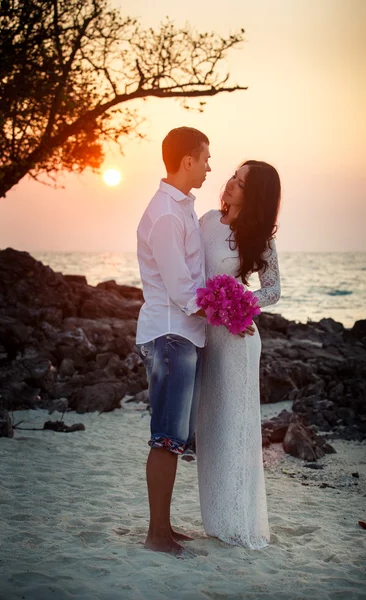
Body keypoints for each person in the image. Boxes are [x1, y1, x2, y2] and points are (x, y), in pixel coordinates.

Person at [196, 160, 281, 549]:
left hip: (239, 340)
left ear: (255, 195)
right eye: (233, 175)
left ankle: (240, 523)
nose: (230, 183)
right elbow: (191, 275)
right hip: (209, 337)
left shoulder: (260, 237)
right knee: (211, 427)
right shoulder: (207, 221)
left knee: (237, 430)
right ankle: (218, 521)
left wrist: (237, 302)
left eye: (241, 183)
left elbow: (273, 290)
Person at [135, 126, 211, 556]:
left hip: (184, 335)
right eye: (205, 157)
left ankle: (164, 525)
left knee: (176, 437)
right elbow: (181, 289)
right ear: (187, 161)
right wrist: (225, 311)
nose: (208, 166)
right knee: (166, 436)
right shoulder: (165, 213)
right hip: (169, 335)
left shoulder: (181, 209)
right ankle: (156, 535)